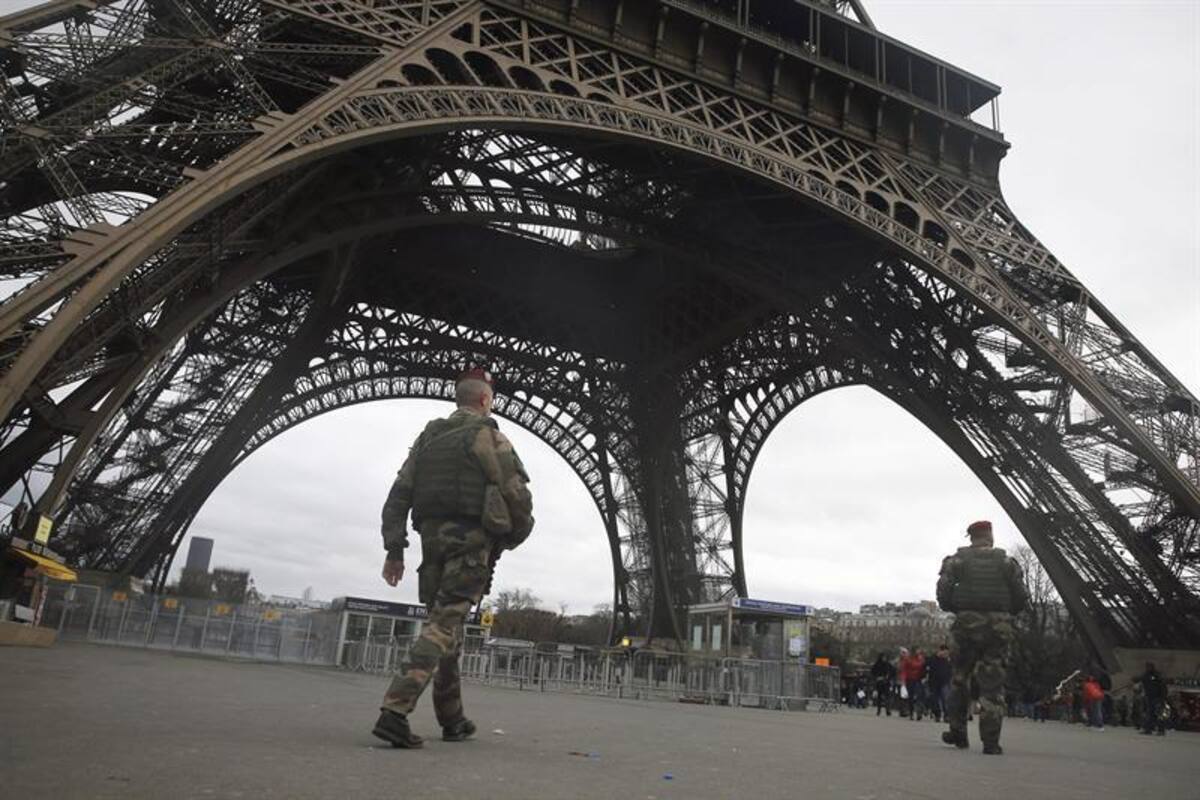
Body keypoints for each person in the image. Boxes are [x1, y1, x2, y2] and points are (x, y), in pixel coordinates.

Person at [370, 369, 534, 748]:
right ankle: (394, 709)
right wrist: (512, 537)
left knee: (447, 629)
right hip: (470, 543)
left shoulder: (428, 439)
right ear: (484, 400)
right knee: (445, 624)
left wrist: (395, 550)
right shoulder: (489, 437)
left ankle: (452, 718)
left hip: (432, 543)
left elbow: (398, 496)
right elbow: (517, 496)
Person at [936, 520, 1027, 755]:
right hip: (998, 628)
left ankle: (958, 733)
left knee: (959, 678)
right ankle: (991, 742)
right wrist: (1005, 614)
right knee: (993, 685)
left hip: (965, 625)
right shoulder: (1006, 563)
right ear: (990, 536)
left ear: (971, 537)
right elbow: (1021, 596)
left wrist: (956, 608)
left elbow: (943, 590)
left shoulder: (956, 561)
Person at [1138, 662, 1168, 736]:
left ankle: (1161, 730)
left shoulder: (1157, 675)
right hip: (1150, 698)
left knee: (1159, 714)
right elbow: (1141, 680)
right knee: (1150, 714)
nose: (1148, 668)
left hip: (1158, 697)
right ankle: (1148, 729)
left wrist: (1162, 698)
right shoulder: (1146, 675)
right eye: (1147, 667)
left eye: (1149, 667)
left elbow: (1163, 686)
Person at [926, 645, 952, 723]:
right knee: (934, 699)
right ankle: (937, 714)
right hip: (933, 682)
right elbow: (927, 666)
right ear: (940, 651)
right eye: (945, 653)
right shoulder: (932, 659)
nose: (946, 655)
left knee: (945, 699)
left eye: (947, 653)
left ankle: (947, 715)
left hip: (944, 682)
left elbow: (950, 670)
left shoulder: (947, 660)